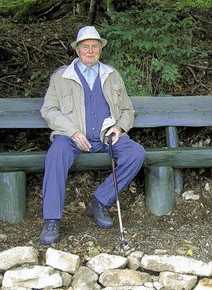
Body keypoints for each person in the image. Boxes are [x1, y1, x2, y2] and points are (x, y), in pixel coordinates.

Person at [39, 26, 146, 245]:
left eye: (94, 47)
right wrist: (73, 132)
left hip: (107, 137)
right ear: (77, 50)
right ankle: (51, 219)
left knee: (136, 153)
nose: (90, 51)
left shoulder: (112, 75)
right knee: (55, 154)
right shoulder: (62, 77)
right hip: (72, 138)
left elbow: (127, 110)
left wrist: (119, 127)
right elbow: (49, 110)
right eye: (85, 46)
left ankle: (99, 201)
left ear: (100, 50)